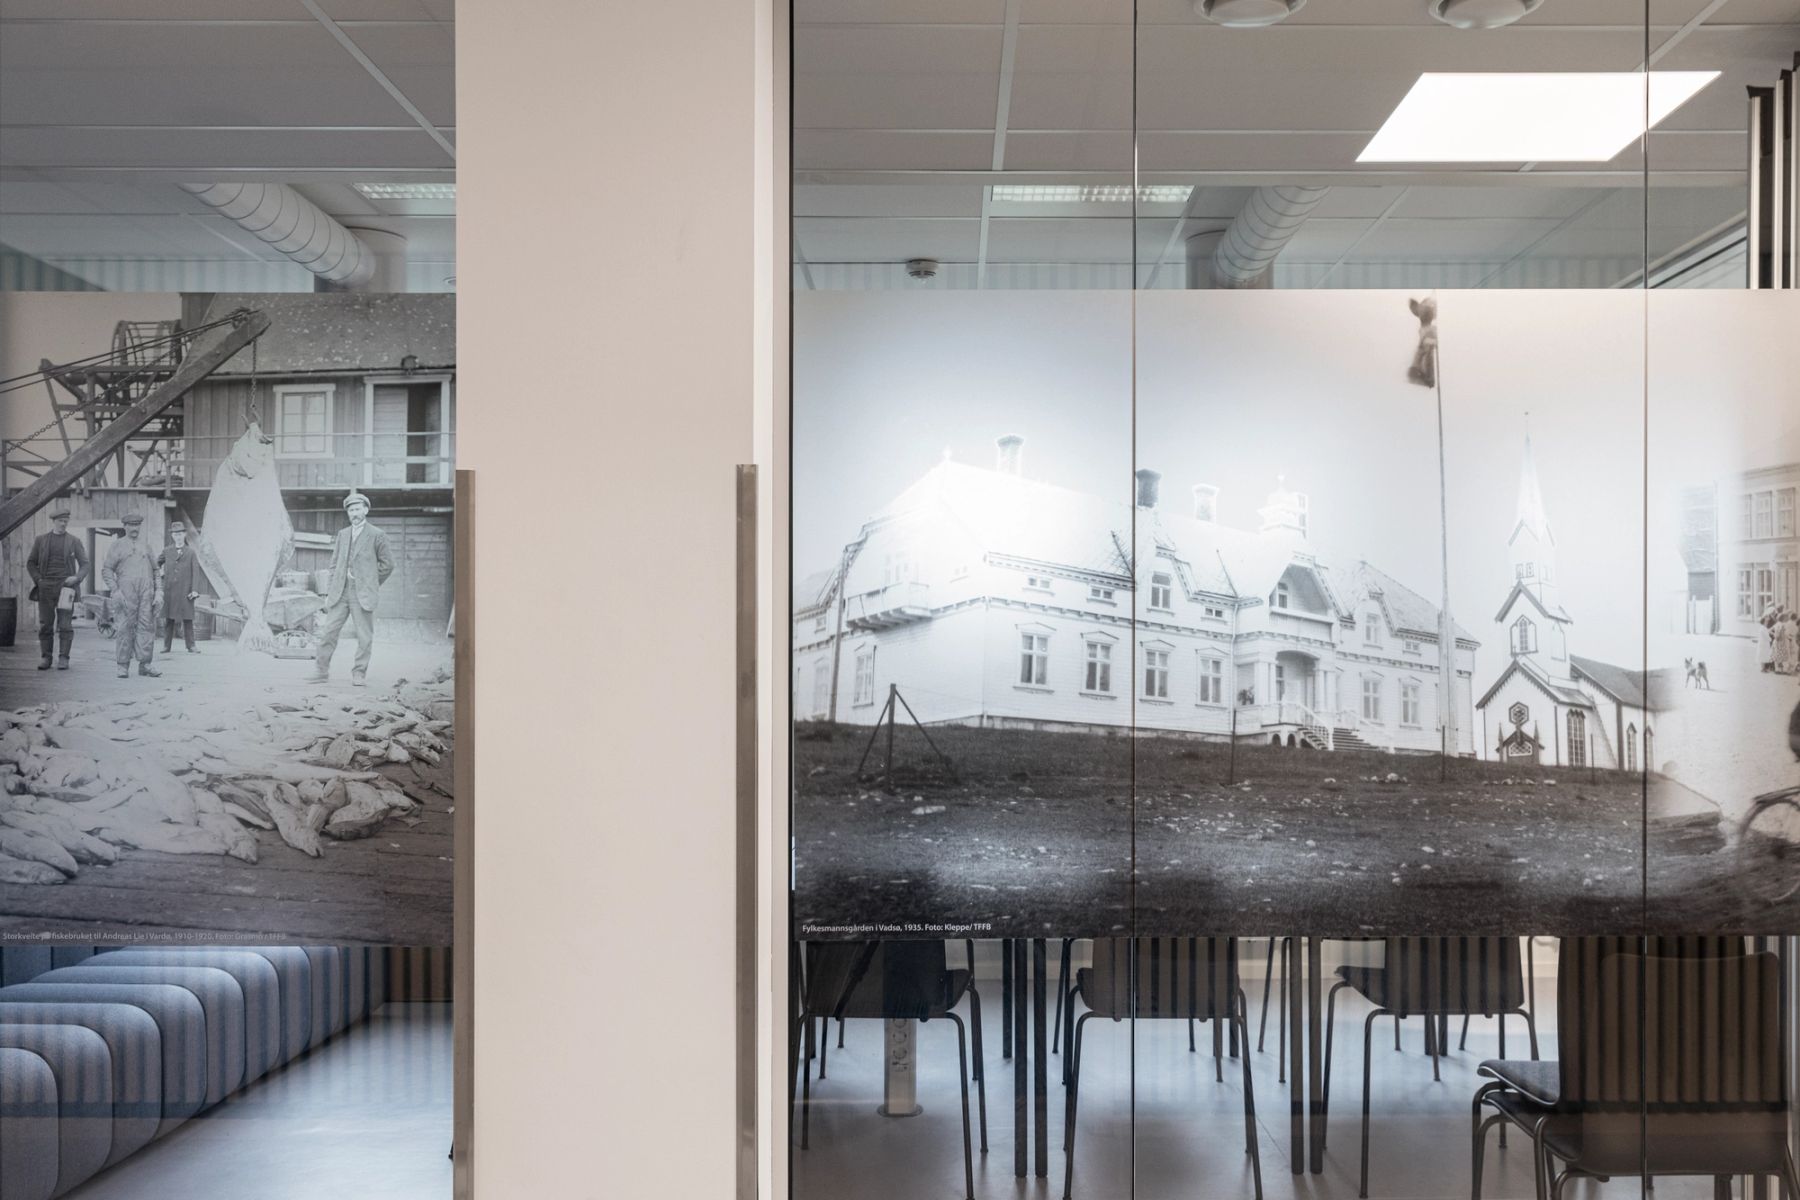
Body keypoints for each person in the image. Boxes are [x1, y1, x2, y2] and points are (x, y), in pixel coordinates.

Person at [309, 490, 393, 687]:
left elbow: (388, 565)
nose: (354, 513)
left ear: (365, 510)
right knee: (328, 632)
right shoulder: (343, 534)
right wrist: (329, 590)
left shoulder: (377, 535)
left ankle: (359, 673)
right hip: (340, 592)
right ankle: (321, 671)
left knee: (364, 637)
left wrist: (369, 582)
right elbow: (334, 564)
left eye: (357, 509)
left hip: (362, 593)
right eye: (351, 510)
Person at [25, 507, 89, 671]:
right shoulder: (41, 540)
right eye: (60, 521)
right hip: (46, 587)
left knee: (65, 624)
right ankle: (46, 658)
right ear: (54, 521)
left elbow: (85, 564)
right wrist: (39, 580)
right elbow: (31, 563)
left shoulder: (74, 541)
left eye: (66, 521)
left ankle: (63, 658)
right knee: (46, 624)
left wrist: (76, 578)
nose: (63, 524)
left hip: (66, 588)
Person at [102, 513, 160, 679]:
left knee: (146, 626)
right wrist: (115, 590)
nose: (135, 528)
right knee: (124, 627)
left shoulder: (146, 546)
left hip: (146, 593)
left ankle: (145, 664)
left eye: (137, 525)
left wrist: (159, 592)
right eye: (131, 525)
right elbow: (107, 570)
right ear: (125, 526)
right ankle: (122, 665)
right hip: (126, 593)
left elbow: (156, 570)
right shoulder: (117, 546)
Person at [158, 520, 202, 653]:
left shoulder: (191, 552)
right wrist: (160, 573)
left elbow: (196, 572)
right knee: (169, 619)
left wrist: (194, 590)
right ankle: (166, 646)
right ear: (172, 536)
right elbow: (156, 564)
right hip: (170, 590)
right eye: (175, 534)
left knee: (188, 618)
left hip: (185, 590)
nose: (178, 536)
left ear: (184, 535)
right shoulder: (167, 551)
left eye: (180, 534)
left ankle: (191, 646)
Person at [1758, 606, 1777, 673]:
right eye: (1773, 612)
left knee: (1768, 653)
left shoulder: (1772, 619)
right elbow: (1767, 631)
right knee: (1766, 654)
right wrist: (1771, 636)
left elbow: (1768, 630)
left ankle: (1768, 666)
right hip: (1767, 640)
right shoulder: (1768, 620)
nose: (1774, 613)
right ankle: (1766, 667)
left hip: (1769, 638)